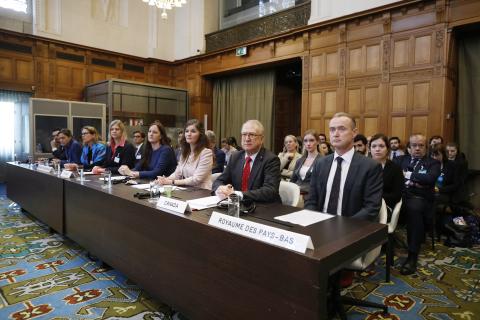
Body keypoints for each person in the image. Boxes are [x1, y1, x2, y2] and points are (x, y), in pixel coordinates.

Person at [305, 112, 383, 221]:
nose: (335, 134)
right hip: (319, 225)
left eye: (341, 129)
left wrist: (344, 227)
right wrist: (313, 220)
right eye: (332, 129)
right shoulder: (321, 163)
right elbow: (311, 200)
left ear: (354, 133)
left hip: (351, 228)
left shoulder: (370, 167)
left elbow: (371, 208)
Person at [393, 133, 440, 275]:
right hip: (399, 196)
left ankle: (412, 255)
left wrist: (406, 175)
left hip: (419, 199)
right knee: (378, 204)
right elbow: (392, 177)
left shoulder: (433, 163)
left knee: (414, 210)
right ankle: (380, 245)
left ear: (426, 148)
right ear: (409, 147)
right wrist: (417, 181)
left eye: (421, 145)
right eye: (414, 145)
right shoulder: (399, 160)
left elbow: (429, 179)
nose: (417, 148)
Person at [213, 120, 281, 203]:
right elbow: (219, 180)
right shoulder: (235, 157)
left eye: (252, 135)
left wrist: (238, 195)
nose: (247, 139)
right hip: (237, 206)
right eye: (244, 134)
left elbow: (269, 191)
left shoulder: (271, 159)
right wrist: (221, 189)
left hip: (263, 208)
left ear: (262, 139)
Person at [157, 119, 213, 189]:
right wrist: (164, 180)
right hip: (187, 190)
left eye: (193, 131)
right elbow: (177, 174)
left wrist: (172, 182)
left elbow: (196, 179)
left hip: (202, 192)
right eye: (187, 131)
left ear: (200, 135)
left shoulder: (206, 153)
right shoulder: (185, 153)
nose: (189, 134)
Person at [369, 133, 403, 212]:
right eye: (374, 146)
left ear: (387, 149)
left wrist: (374, 197)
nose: (377, 149)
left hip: (384, 206)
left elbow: (397, 195)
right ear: (370, 149)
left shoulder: (395, 169)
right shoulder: (363, 166)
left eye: (381, 146)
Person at [290, 129, 322, 200]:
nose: (308, 143)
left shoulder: (323, 160)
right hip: (296, 195)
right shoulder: (300, 160)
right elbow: (293, 180)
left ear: (317, 142)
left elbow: (321, 184)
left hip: (312, 197)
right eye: (305, 141)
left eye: (311, 140)